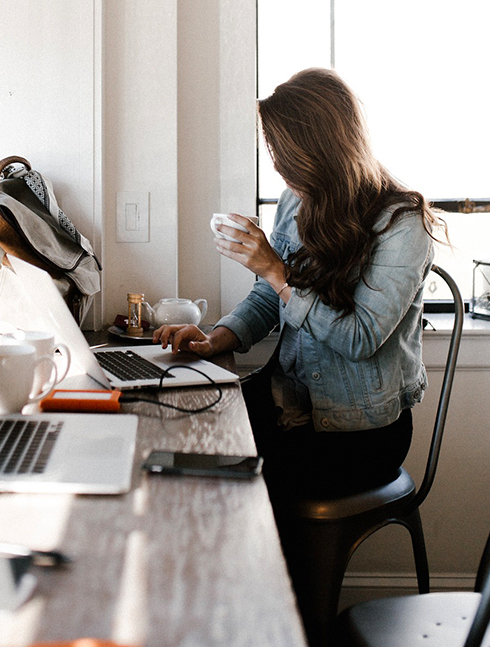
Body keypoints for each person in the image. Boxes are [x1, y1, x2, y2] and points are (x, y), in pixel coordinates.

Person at [153, 67, 445, 503]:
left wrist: (276, 270)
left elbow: (359, 337)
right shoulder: (297, 199)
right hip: (288, 403)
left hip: (358, 433)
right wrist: (216, 339)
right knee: (181, 430)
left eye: (282, 152)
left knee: (221, 484)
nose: (277, 164)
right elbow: (270, 296)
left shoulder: (402, 225)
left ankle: (259, 569)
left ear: (321, 148)